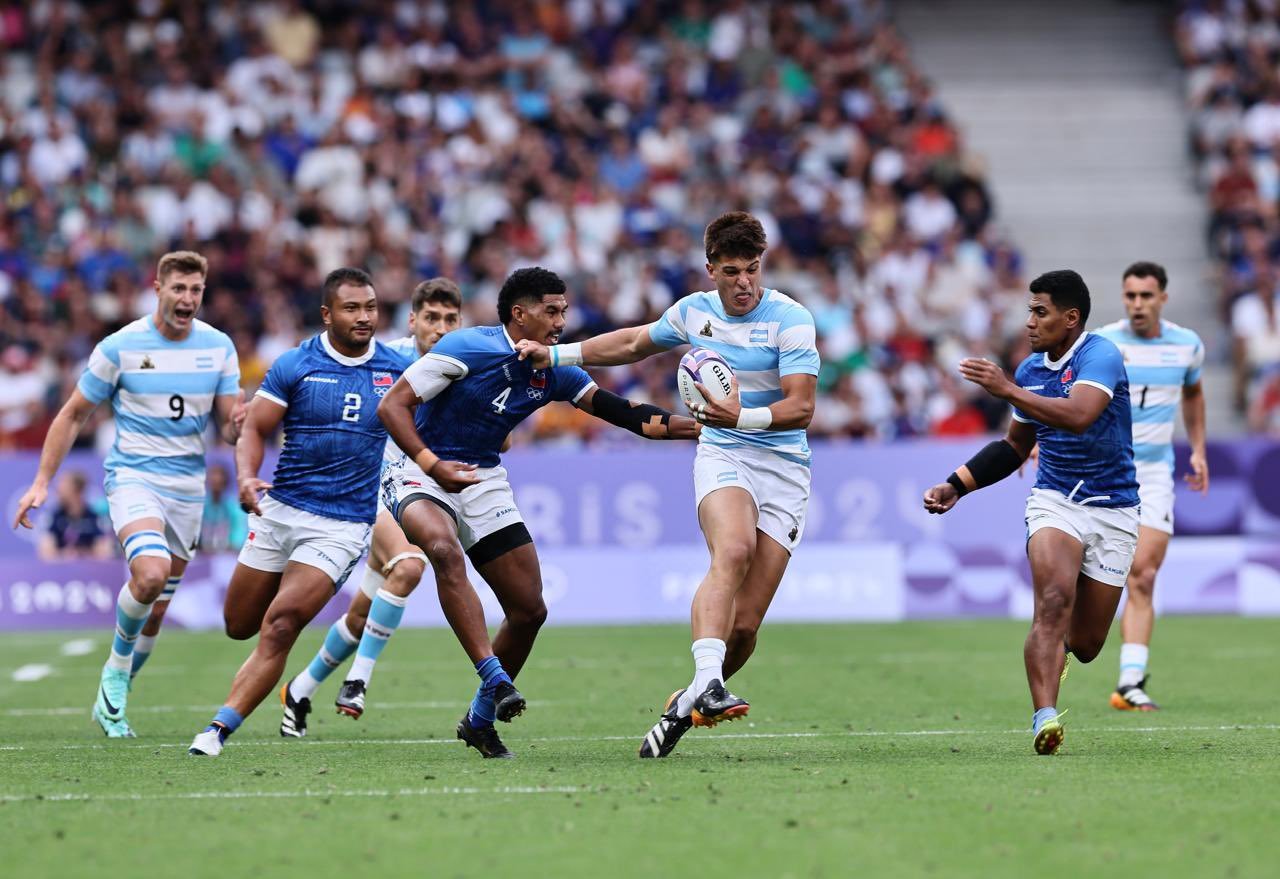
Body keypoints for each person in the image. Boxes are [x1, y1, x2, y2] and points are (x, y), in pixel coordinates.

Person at [515, 211, 820, 759]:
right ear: (711, 270)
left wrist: (740, 416)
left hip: (784, 467)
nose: (744, 282)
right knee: (732, 549)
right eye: (731, 271)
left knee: (745, 628)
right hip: (725, 453)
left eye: (752, 270)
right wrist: (555, 354)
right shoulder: (692, 313)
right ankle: (709, 680)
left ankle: (686, 702)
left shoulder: (790, 319)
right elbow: (632, 343)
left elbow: (801, 407)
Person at [376, 266, 699, 758]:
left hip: (483, 478)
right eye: (551, 311)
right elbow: (392, 407)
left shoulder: (556, 369)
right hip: (419, 467)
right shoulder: (466, 349)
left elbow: (629, 416)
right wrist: (431, 463)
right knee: (441, 548)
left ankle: (479, 722)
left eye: (564, 310)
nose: (560, 320)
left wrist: (700, 427)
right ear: (518, 313)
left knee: (529, 610)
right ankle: (494, 677)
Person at [12, 250, 244, 738]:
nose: (187, 298)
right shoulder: (119, 347)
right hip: (133, 477)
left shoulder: (219, 347)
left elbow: (228, 428)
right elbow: (73, 413)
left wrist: (240, 424)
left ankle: (112, 700)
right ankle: (116, 672)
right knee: (151, 573)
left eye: (195, 290)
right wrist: (40, 483)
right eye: (178, 288)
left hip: (187, 487)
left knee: (157, 610)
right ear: (157, 289)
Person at [188, 267, 411, 756]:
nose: (364, 317)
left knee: (282, 623)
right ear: (327, 313)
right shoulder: (295, 364)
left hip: (344, 524)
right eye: (352, 308)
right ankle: (269, 683)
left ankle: (217, 729)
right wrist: (246, 478)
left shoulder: (396, 370)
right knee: (239, 624)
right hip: (281, 511)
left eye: (371, 307)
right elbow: (254, 429)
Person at [923, 269, 1139, 755]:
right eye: (1029, 311)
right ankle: (1044, 717)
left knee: (1085, 645)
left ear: (1071, 318)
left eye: (1040, 312)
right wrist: (957, 483)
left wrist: (1008, 391)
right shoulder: (1030, 370)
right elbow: (1015, 447)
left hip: (1114, 509)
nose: (1029, 322)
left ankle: (1057, 655)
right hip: (1056, 500)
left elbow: (1081, 416)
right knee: (1053, 601)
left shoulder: (1098, 354)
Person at [278, 278, 461, 737]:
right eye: (431, 318)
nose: (440, 328)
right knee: (410, 565)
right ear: (413, 320)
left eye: (450, 319)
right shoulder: (385, 359)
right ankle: (358, 679)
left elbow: (503, 439)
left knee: (362, 614)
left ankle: (300, 688)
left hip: (411, 493)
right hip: (365, 490)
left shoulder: (461, 368)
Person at [1094, 262, 1208, 711]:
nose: (1137, 304)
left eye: (1145, 296)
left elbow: (1194, 394)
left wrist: (1198, 449)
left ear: (1163, 297)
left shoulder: (1187, 346)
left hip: (1155, 474)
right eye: (1130, 296)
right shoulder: (1103, 344)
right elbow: (1070, 397)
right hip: (1102, 470)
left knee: (1143, 573)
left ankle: (1130, 681)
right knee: (1096, 578)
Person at [37, 470, 114, 560]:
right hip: (61, 570)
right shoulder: (55, 517)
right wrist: (64, 555)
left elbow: (104, 551)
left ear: (77, 490)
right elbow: (46, 552)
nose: (58, 490)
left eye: (63, 485)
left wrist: (82, 554)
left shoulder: (94, 517)